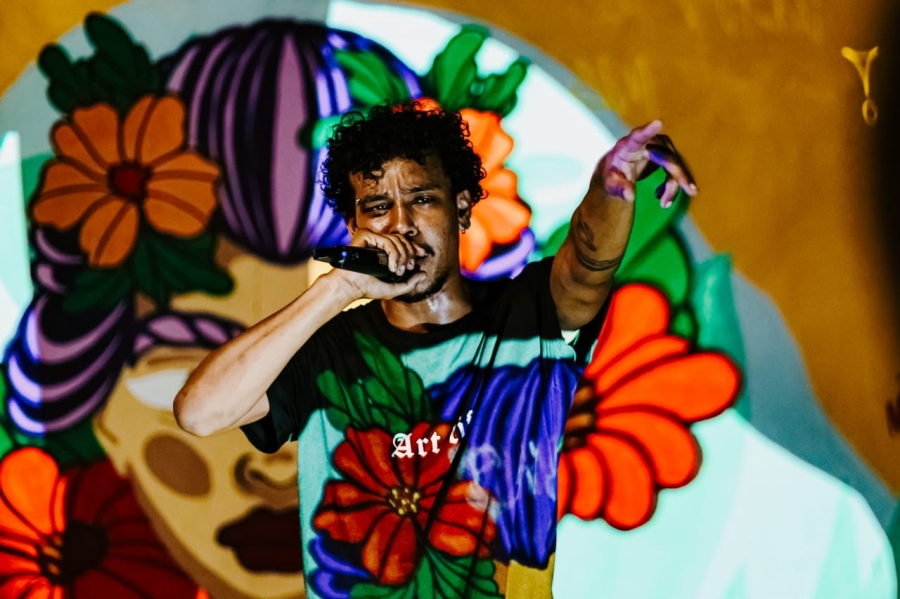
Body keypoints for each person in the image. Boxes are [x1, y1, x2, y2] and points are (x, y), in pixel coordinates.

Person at [174, 102, 696, 598]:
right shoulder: (325, 350)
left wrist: (610, 187)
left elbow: (586, 264)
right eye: (377, 208)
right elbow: (199, 413)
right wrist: (337, 289)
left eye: (421, 199)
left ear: (462, 208)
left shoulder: (527, 314)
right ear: (355, 228)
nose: (400, 223)